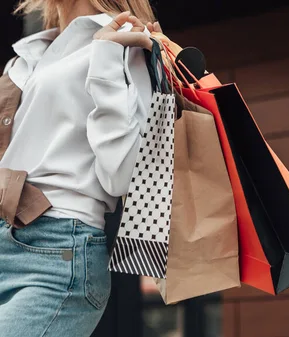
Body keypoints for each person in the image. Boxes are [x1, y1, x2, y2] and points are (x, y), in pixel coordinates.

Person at [0, 1, 161, 336]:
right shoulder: (32, 52)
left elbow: (123, 176)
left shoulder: (121, 40)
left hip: (56, 254)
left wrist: (105, 60)